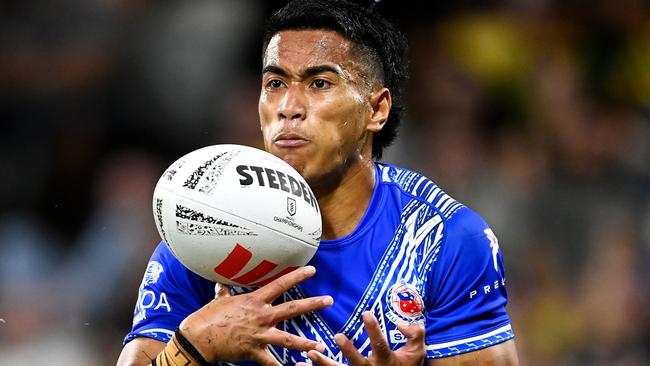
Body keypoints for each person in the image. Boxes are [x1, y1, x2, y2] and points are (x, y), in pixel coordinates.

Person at [117, 1, 519, 365]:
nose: (288, 108)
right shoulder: (207, 232)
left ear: (376, 110)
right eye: (275, 84)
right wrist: (194, 346)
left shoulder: (445, 239)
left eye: (319, 84)